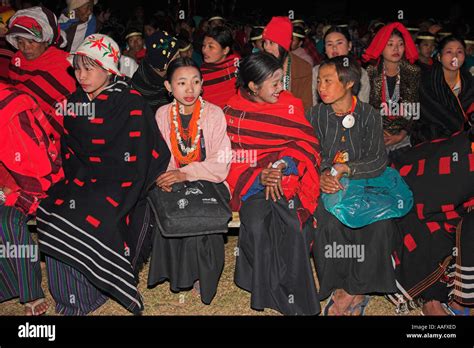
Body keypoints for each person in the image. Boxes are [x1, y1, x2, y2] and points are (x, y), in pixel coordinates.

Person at [36, 34, 171, 315]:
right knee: (56, 213)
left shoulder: (131, 103)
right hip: (83, 178)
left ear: (109, 69)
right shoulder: (74, 103)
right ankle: (74, 299)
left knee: (92, 217)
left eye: (89, 69)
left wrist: (119, 182)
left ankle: (95, 292)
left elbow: (145, 154)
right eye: (77, 69)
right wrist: (80, 179)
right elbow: (71, 151)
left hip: (125, 182)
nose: (81, 76)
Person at [224, 52, 321, 315]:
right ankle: (270, 294)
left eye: (282, 80)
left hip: (288, 180)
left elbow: (307, 143)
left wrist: (281, 166)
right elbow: (229, 157)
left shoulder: (290, 105)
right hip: (252, 184)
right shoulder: (233, 111)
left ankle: (297, 301)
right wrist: (259, 175)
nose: (282, 88)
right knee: (256, 225)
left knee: (294, 226)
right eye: (275, 83)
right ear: (253, 87)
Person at [307, 55, 398, 315]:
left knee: (379, 223)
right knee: (328, 220)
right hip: (329, 185)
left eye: (327, 81)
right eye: (319, 81)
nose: (320, 87)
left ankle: (355, 290)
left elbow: (379, 159)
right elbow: (310, 153)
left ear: (348, 83)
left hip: (365, 183)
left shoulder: (368, 114)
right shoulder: (315, 114)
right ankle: (339, 286)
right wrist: (324, 173)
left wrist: (349, 168)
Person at [148, 57, 231, 305]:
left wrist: (187, 173)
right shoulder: (162, 114)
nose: (189, 89)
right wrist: (166, 176)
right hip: (175, 178)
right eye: (181, 83)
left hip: (209, 178)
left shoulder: (214, 114)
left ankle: (201, 276)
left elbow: (222, 161)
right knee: (171, 205)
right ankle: (176, 273)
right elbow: (160, 155)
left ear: (202, 84)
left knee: (199, 208)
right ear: (168, 87)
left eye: (195, 82)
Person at [0, 82, 64, 316]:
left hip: (20, 181)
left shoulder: (11, 104)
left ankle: (31, 292)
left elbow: (35, 163)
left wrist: (6, 191)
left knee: (7, 221)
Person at [6, 6, 76, 153]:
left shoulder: (63, 64)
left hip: (53, 142)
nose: (26, 48)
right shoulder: (17, 61)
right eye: (20, 41)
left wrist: (39, 129)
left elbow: (70, 109)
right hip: (19, 133)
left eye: (32, 41)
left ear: (46, 40)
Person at [363, 22, 421, 160]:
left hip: (403, 135)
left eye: (400, 44)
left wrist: (401, 134)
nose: (396, 49)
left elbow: (413, 108)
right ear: (380, 47)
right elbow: (365, 107)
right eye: (390, 44)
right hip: (374, 133)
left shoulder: (412, 72)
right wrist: (377, 131)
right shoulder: (370, 72)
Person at [411, 35, 473, 145]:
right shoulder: (426, 82)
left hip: (463, 138)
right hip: (431, 138)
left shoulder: (469, 82)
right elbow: (432, 116)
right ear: (439, 57)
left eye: (459, 52)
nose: (454, 56)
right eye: (449, 52)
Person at [262, 16, 313, 111]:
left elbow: (306, 106)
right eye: (265, 43)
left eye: (271, 43)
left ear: (283, 45)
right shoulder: (259, 65)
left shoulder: (303, 68)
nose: (266, 48)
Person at [311, 26, 370, 106]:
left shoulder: (360, 73)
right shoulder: (316, 71)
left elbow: (363, 105)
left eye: (339, 43)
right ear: (325, 49)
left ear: (349, 46)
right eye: (329, 44)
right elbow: (314, 102)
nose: (334, 48)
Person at [131, 30, 179, 113]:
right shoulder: (141, 89)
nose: (180, 60)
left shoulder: (173, 75)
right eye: (176, 57)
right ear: (163, 64)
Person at [201, 26, 239, 109]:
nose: (204, 50)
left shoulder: (238, 67)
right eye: (204, 46)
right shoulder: (200, 73)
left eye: (211, 47)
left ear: (225, 50)